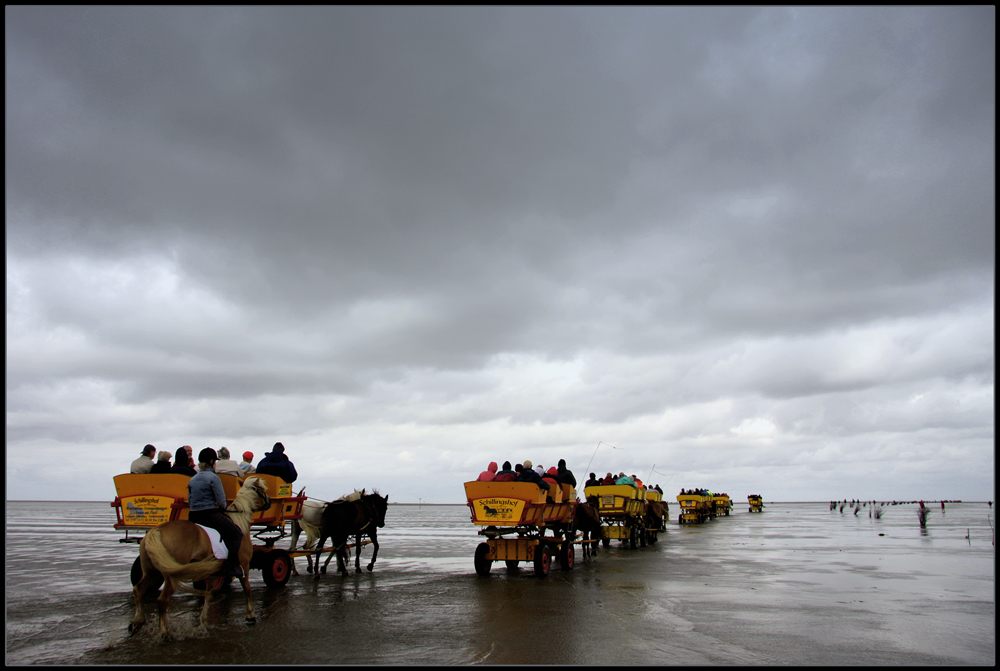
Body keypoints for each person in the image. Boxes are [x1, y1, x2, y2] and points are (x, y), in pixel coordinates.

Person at [188, 448, 244, 578]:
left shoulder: (193, 479)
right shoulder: (213, 478)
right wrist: (223, 509)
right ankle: (230, 566)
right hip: (209, 515)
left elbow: (191, 500)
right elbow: (221, 501)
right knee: (236, 534)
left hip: (193, 515)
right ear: (212, 462)